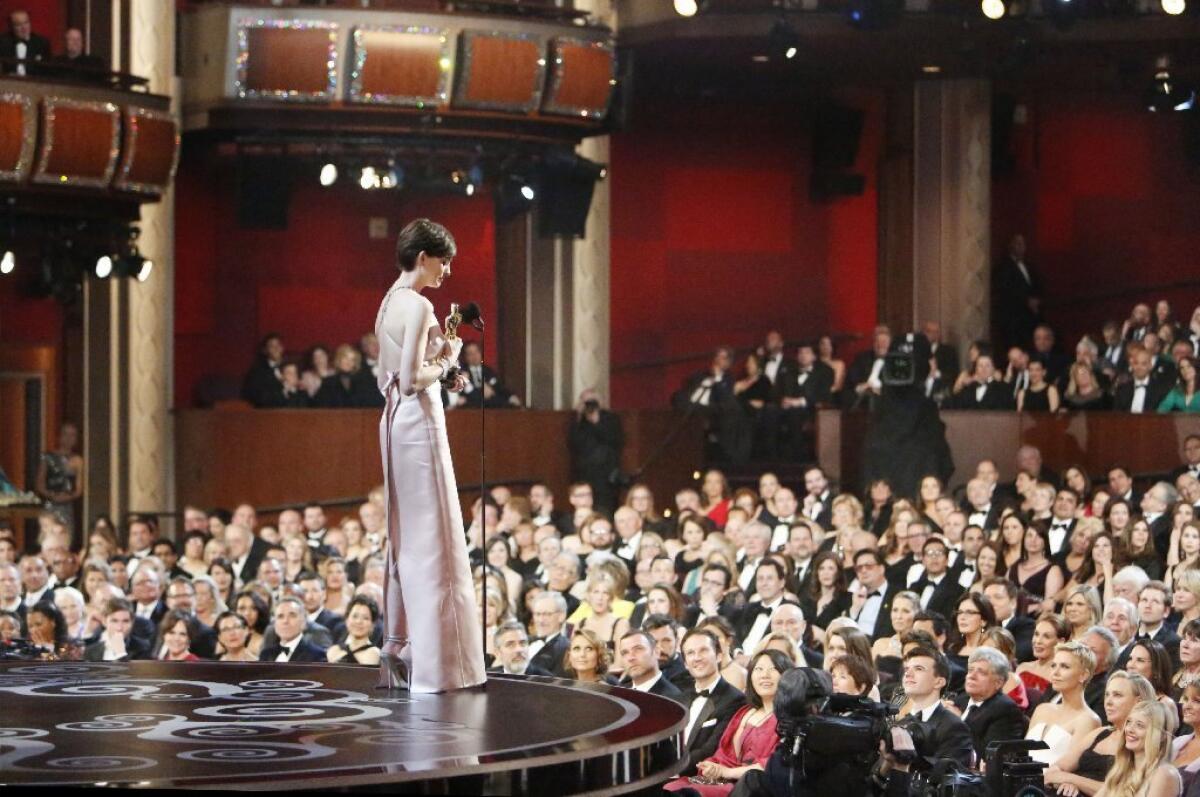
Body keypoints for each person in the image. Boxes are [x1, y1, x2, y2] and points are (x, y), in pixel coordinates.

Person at [373, 219, 483, 693]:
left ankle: (402, 650)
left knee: (411, 535)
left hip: (398, 422)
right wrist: (449, 355)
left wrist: (445, 364)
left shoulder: (388, 302)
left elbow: (396, 376)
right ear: (423, 258)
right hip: (417, 423)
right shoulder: (417, 304)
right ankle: (438, 667)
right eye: (444, 261)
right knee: (432, 538)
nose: (448, 271)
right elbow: (414, 377)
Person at [663, 648, 788, 796]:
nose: (765, 675)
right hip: (720, 780)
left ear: (786, 676)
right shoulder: (744, 712)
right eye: (758, 669)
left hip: (750, 787)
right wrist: (712, 766)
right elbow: (723, 753)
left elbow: (774, 766)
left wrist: (729, 772)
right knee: (670, 788)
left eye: (773, 669)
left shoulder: (789, 719)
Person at [1044, 670, 1157, 797]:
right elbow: (1052, 772)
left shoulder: (1142, 742)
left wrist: (1072, 780)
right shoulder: (1100, 733)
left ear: (1138, 702)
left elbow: (1124, 792)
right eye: (1107, 695)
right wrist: (1066, 784)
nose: (1108, 701)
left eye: (1117, 695)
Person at [677, 627, 747, 776]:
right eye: (690, 653)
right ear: (685, 663)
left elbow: (711, 749)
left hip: (698, 778)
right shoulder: (679, 700)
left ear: (719, 656)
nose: (697, 657)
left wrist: (671, 769)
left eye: (703, 650)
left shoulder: (735, 700)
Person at [1025, 640, 1103, 765]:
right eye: (1053, 665)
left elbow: (1071, 768)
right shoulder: (1042, 709)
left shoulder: (1089, 720)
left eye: (1065, 667)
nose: (1055, 673)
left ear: (1083, 675)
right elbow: (1023, 754)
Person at [946, 647, 1028, 762]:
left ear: (998, 683)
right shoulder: (961, 699)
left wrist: (957, 723)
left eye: (981, 673)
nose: (972, 676)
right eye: (970, 670)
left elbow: (989, 756)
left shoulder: (1005, 710)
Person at [1097, 700, 1181, 797]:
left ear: (1161, 736)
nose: (1129, 729)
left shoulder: (1164, 774)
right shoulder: (1121, 769)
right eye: (1129, 722)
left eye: (1139, 725)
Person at [568, 389, 623, 514]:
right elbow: (573, 444)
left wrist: (597, 422)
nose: (589, 405)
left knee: (604, 509)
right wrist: (579, 416)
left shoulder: (611, 419)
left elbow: (615, 440)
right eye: (586, 402)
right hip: (584, 474)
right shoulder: (578, 423)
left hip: (605, 476)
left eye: (592, 401)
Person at [35, 421, 83, 537]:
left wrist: (68, 497)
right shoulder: (48, 458)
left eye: (72, 435)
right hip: (50, 503)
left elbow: (79, 488)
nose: (68, 439)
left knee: (65, 534)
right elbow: (39, 484)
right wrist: (52, 495)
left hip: (67, 505)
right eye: (66, 434)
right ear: (60, 436)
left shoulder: (78, 460)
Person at [326, 596, 381, 666]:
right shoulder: (333, 650)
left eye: (365, 618)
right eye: (355, 616)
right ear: (346, 619)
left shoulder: (374, 653)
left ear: (372, 624)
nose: (359, 621)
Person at [0, 9, 50, 75]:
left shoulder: (41, 43)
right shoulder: (3, 42)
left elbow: (48, 70)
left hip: (34, 83)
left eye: (26, 23)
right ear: (11, 27)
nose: (24, 28)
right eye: (18, 25)